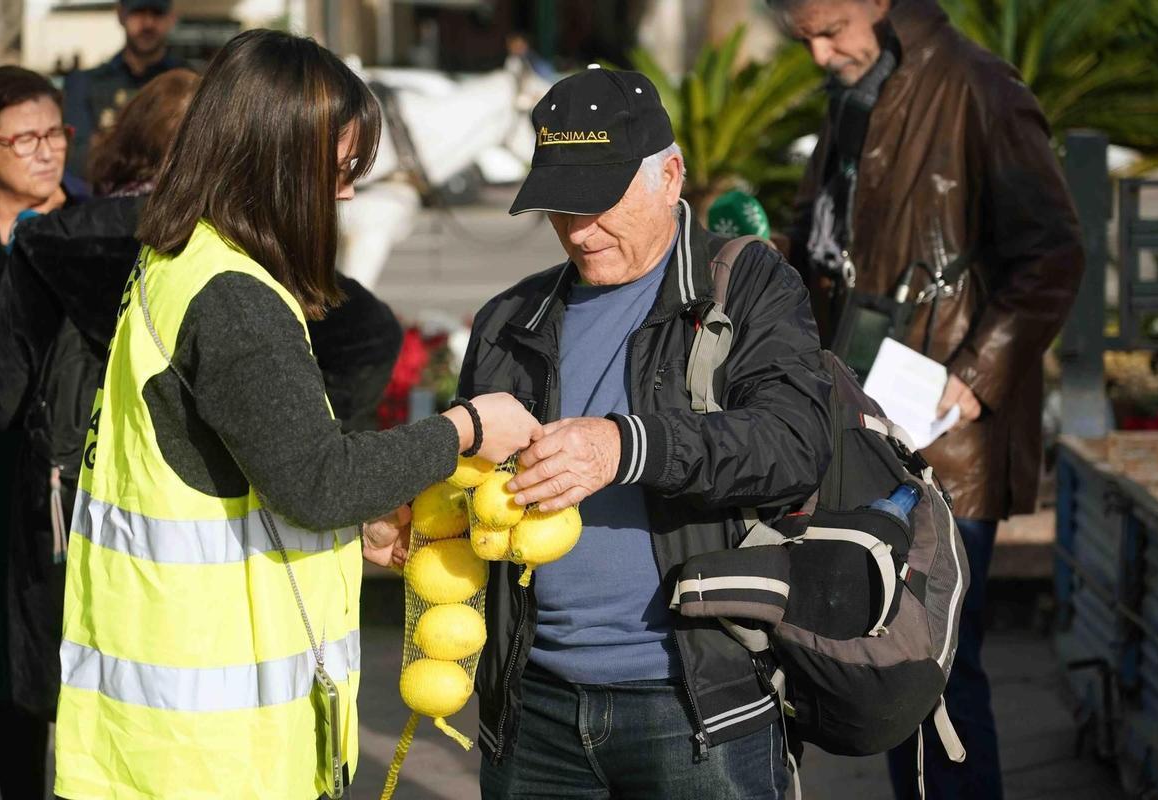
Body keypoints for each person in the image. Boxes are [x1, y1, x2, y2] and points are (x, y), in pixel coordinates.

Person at [52, 30, 540, 800]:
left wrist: (358, 525)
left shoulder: (183, 263)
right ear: (273, 161)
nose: (347, 194)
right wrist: (467, 429)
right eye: (340, 169)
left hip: (156, 736)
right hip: (217, 754)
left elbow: (247, 471)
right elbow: (317, 480)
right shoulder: (236, 300)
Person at [458, 65, 833, 799]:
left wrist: (628, 446)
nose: (579, 229)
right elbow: (473, 489)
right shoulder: (509, 318)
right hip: (533, 711)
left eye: (601, 202)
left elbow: (794, 443)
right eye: (561, 207)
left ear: (670, 175)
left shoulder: (745, 283)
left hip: (694, 706)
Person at [774, 0, 1085, 797]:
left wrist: (976, 377)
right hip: (857, 412)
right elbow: (823, 237)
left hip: (940, 425)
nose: (817, 54)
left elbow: (1053, 252)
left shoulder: (981, 88)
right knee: (882, 654)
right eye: (802, 36)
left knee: (934, 666)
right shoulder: (855, 86)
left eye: (829, 30)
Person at [0, 64, 79, 800]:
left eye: (56, 133)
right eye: (24, 138)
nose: (45, 150)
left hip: (63, 503)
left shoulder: (98, 233)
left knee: (45, 681)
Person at [62, 0, 182, 181]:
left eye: (157, 13)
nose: (148, 23)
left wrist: (106, 143)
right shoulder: (85, 83)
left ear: (172, 17)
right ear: (120, 14)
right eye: (138, 12)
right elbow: (77, 159)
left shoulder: (191, 83)